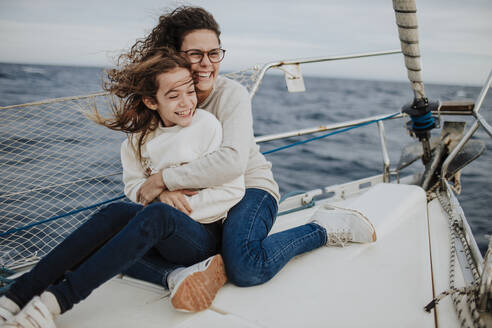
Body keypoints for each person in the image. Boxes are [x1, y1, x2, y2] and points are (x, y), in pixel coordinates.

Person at [129, 5, 376, 291]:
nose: (207, 63)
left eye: (214, 53)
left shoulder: (231, 94)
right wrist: (161, 191)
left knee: (246, 269)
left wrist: (162, 181)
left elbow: (232, 162)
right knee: (120, 241)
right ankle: (177, 275)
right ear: (174, 54)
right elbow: (146, 157)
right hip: (206, 203)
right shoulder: (160, 99)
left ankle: (322, 229)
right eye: (195, 54)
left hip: (250, 189)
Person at [0, 49, 245, 327]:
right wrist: (161, 192)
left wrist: (170, 205)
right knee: (115, 211)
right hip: (157, 229)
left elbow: (232, 190)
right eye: (174, 96)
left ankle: (54, 303)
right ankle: (15, 297)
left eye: (190, 92)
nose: (187, 102)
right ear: (151, 101)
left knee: (156, 215)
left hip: (200, 235)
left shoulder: (207, 126)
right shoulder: (137, 140)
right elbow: (134, 187)